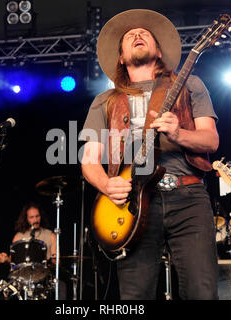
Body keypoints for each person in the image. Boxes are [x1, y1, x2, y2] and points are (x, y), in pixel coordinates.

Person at [81, 9, 219, 300]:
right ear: (121, 57)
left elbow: (211, 140)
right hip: (134, 204)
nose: (138, 35)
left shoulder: (190, 85)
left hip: (188, 199)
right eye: (130, 36)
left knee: (202, 292)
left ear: (159, 51)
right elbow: (89, 160)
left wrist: (178, 133)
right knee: (134, 297)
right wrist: (106, 185)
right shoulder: (105, 101)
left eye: (145, 34)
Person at [0, 202, 67, 299]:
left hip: (43, 278)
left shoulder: (50, 235)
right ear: (26, 219)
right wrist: (5, 259)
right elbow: (13, 262)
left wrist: (53, 262)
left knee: (61, 286)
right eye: (32, 217)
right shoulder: (18, 236)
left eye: (37, 216)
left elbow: (57, 262)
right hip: (22, 279)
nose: (35, 220)